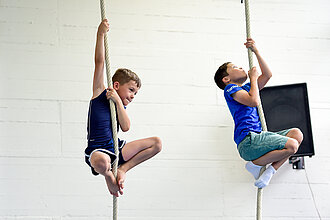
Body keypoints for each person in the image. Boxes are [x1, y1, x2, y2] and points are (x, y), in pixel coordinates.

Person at [84, 19, 162, 197]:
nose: (133, 95)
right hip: (98, 149)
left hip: (116, 148)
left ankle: (123, 170)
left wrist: (119, 103)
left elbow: (126, 127)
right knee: (102, 162)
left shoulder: (119, 107)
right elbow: (99, 63)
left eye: (136, 93)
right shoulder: (99, 93)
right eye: (131, 90)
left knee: (156, 143)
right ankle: (109, 176)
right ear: (117, 85)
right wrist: (100, 34)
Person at [214, 38, 303, 188]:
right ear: (226, 79)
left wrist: (256, 51)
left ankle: (270, 171)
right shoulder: (230, 89)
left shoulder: (247, 87)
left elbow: (267, 75)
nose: (241, 67)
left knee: (297, 134)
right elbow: (254, 101)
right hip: (249, 141)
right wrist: (254, 78)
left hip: (258, 138)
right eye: (235, 67)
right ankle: (255, 164)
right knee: (292, 146)